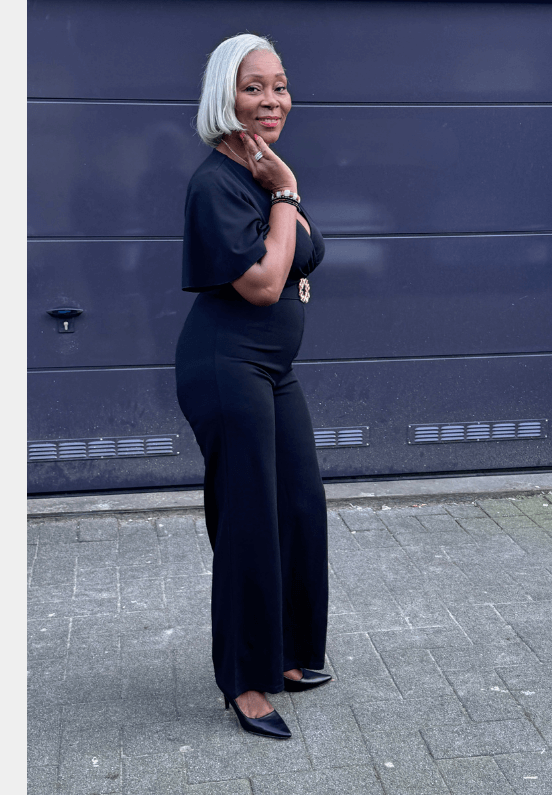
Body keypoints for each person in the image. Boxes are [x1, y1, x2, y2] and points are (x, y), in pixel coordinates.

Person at [175, 33, 330, 740]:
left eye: (280, 85)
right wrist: (287, 192)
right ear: (224, 97)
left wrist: (281, 192)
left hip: (273, 368)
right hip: (225, 364)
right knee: (247, 518)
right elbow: (265, 284)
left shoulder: (261, 173)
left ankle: (287, 653)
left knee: (297, 504)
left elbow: (298, 254)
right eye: (254, 87)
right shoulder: (218, 183)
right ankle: (243, 679)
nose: (273, 100)